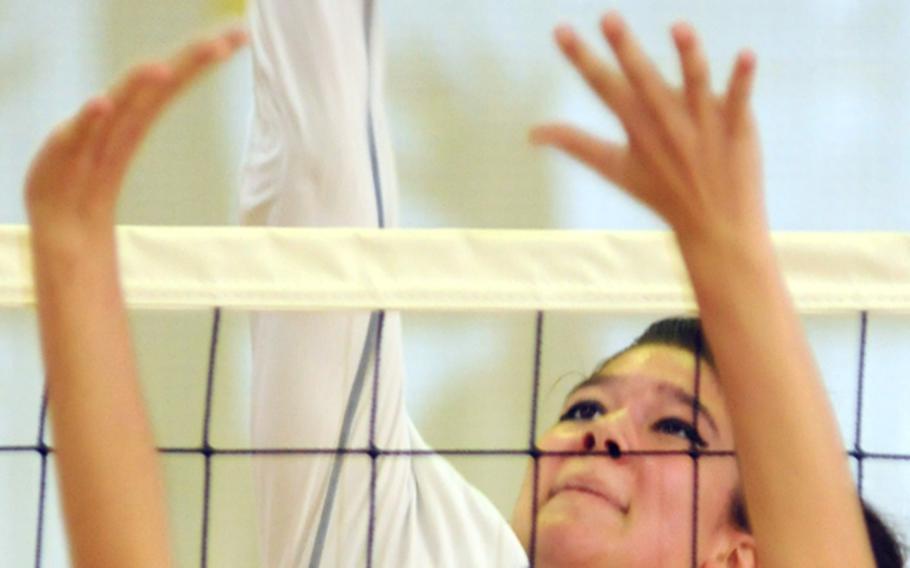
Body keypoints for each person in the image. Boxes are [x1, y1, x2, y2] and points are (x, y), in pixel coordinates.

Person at [23, 1, 904, 567]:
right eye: (586, 409)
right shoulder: (426, 549)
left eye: (676, 427)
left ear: (741, 554)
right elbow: (324, 178)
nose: (598, 436)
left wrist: (727, 248)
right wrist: (66, 253)